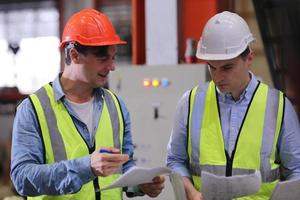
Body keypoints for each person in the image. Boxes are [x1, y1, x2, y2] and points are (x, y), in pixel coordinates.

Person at [10, 9, 165, 199]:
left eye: (113, 57)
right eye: (103, 58)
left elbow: (122, 166)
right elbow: (22, 178)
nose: (112, 66)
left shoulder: (116, 106)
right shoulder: (33, 109)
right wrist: (86, 167)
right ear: (74, 55)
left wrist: (139, 184)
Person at [166, 11, 300, 200]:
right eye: (212, 67)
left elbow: (297, 170)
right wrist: (192, 194)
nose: (218, 77)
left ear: (249, 59)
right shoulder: (191, 102)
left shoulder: (277, 106)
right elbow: (175, 161)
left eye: (227, 67)